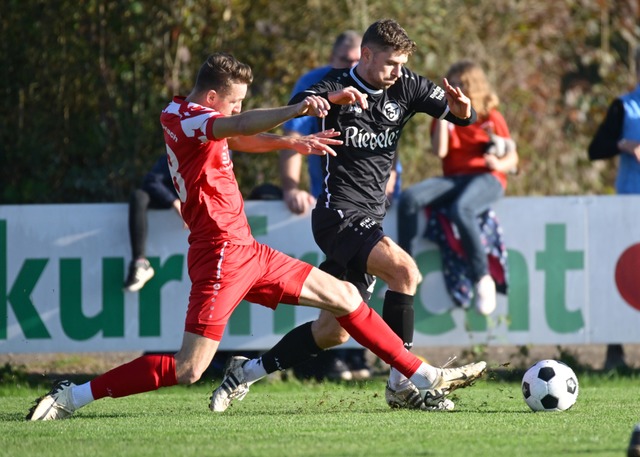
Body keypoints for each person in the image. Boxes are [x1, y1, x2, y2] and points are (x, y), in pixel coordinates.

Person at [27, 51, 485, 421]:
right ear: (211, 97)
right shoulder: (187, 117)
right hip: (221, 255)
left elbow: (238, 136)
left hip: (247, 249)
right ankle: (76, 395)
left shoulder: (190, 115)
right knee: (189, 369)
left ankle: (418, 375)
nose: (240, 109)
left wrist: (289, 142)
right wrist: (299, 110)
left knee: (347, 296)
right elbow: (240, 127)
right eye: (235, 101)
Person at [211, 19, 486, 413]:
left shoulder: (406, 85)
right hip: (336, 214)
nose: (397, 72)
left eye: (402, 63)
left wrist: (464, 111)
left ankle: (244, 373)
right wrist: (317, 103)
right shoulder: (334, 83)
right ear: (367, 54)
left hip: (369, 220)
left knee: (333, 331)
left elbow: (461, 117)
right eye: (390, 63)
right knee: (404, 271)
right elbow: (303, 104)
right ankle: (403, 384)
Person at [279, 30, 374, 382]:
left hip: (368, 207)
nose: (351, 67)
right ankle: (329, 360)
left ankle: (355, 358)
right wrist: (291, 186)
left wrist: (385, 187)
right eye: (344, 61)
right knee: (341, 284)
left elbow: (386, 155)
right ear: (331, 60)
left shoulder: (374, 86)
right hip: (330, 206)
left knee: (361, 283)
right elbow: (292, 138)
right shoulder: (315, 85)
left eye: (356, 61)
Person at [397, 59, 519, 316]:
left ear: (473, 86)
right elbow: (440, 151)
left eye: (460, 84)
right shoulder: (444, 117)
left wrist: (498, 161)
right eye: (450, 83)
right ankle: (404, 264)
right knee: (409, 198)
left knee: (461, 208)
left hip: (488, 177)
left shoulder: (490, 116)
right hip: (454, 178)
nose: (454, 88)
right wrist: (443, 115)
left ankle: (482, 277)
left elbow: (513, 157)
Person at [587, 46, 640, 372]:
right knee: (625, 277)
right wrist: (624, 145)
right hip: (631, 205)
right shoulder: (626, 107)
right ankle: (615, 352)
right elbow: (596, 149)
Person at [123, 155, 184, 292]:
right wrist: (174, 203)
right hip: (170, 199)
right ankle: (140, 263)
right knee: (139, 196)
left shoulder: (222, 151)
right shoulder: (182, 145)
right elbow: (151, 180)